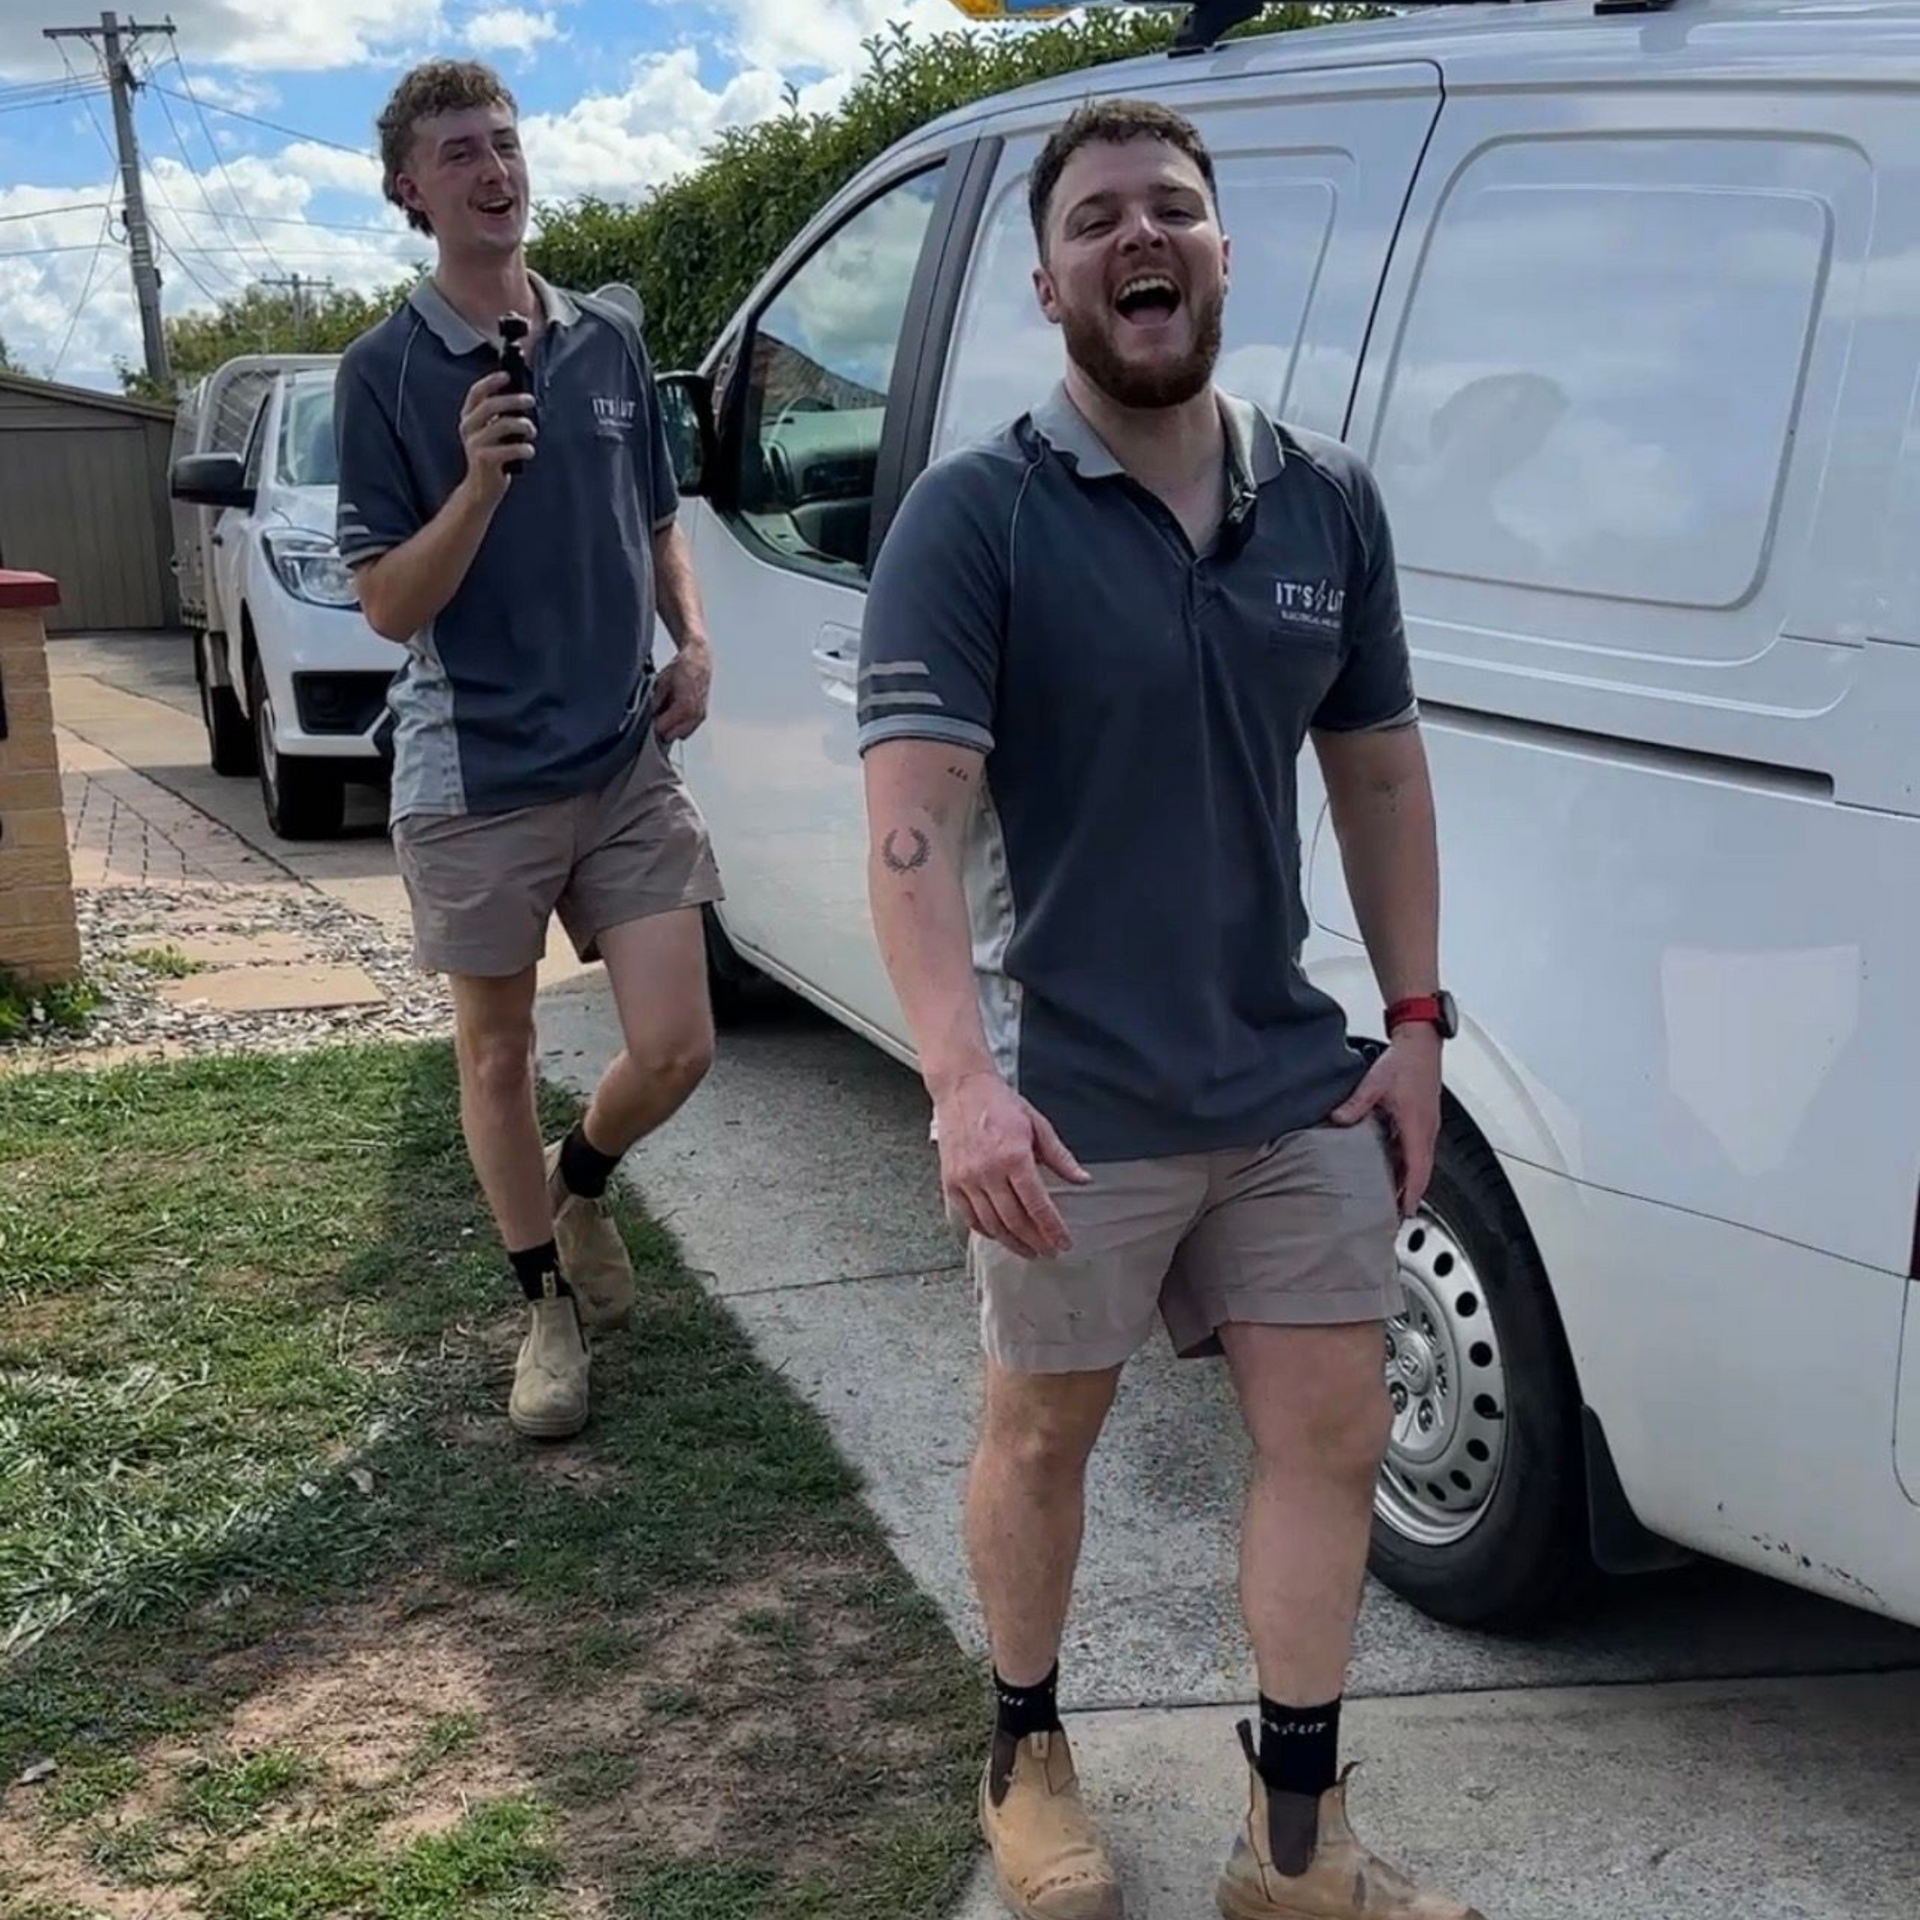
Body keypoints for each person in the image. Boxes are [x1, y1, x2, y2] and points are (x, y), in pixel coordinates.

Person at [858, 99, 1478, 1920]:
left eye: (1176, 213)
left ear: (1222, 253)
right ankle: (1026, 1749)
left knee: (1335, 1432)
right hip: (1073, 1102)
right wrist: (959, 1076)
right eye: (1103, 219)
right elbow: (913, 816)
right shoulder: (978, 516)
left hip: (1284, 1079)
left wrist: (1420, 1024)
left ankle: (1295, 1848)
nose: (1145, 239)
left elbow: (1377, 776)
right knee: (1043, 1434)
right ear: (1050, 278)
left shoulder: (1325, 501)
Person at [334, 60, 722, 1443]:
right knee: (494, 1052)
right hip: (476, 767)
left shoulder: (606, 337)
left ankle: (586, 1177)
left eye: (504, 142)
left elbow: (658, 512)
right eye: (459, 152)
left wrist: (691, 639)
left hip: (621, 752)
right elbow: (389, 604)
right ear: (410, 192)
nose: (494, 168)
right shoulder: (379, 375)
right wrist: (481, 482)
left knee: (677, 1042)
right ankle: (543, 1304)